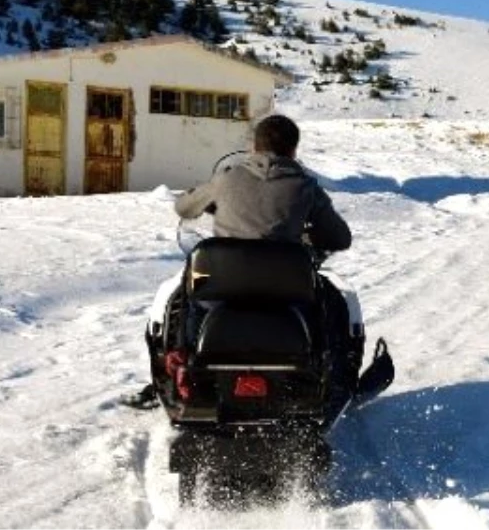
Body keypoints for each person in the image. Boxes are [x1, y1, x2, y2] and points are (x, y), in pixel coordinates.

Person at [126, 114, 364, 408]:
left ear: (254, 146)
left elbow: (184, 208)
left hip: (222, 286)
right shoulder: (306, 187)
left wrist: (214, 199)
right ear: (293, 150)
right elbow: (340, 238)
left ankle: (178, 367)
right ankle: (331, 376)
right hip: (285, 289)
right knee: (328, 305)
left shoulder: (226, 178)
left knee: (188, 299)